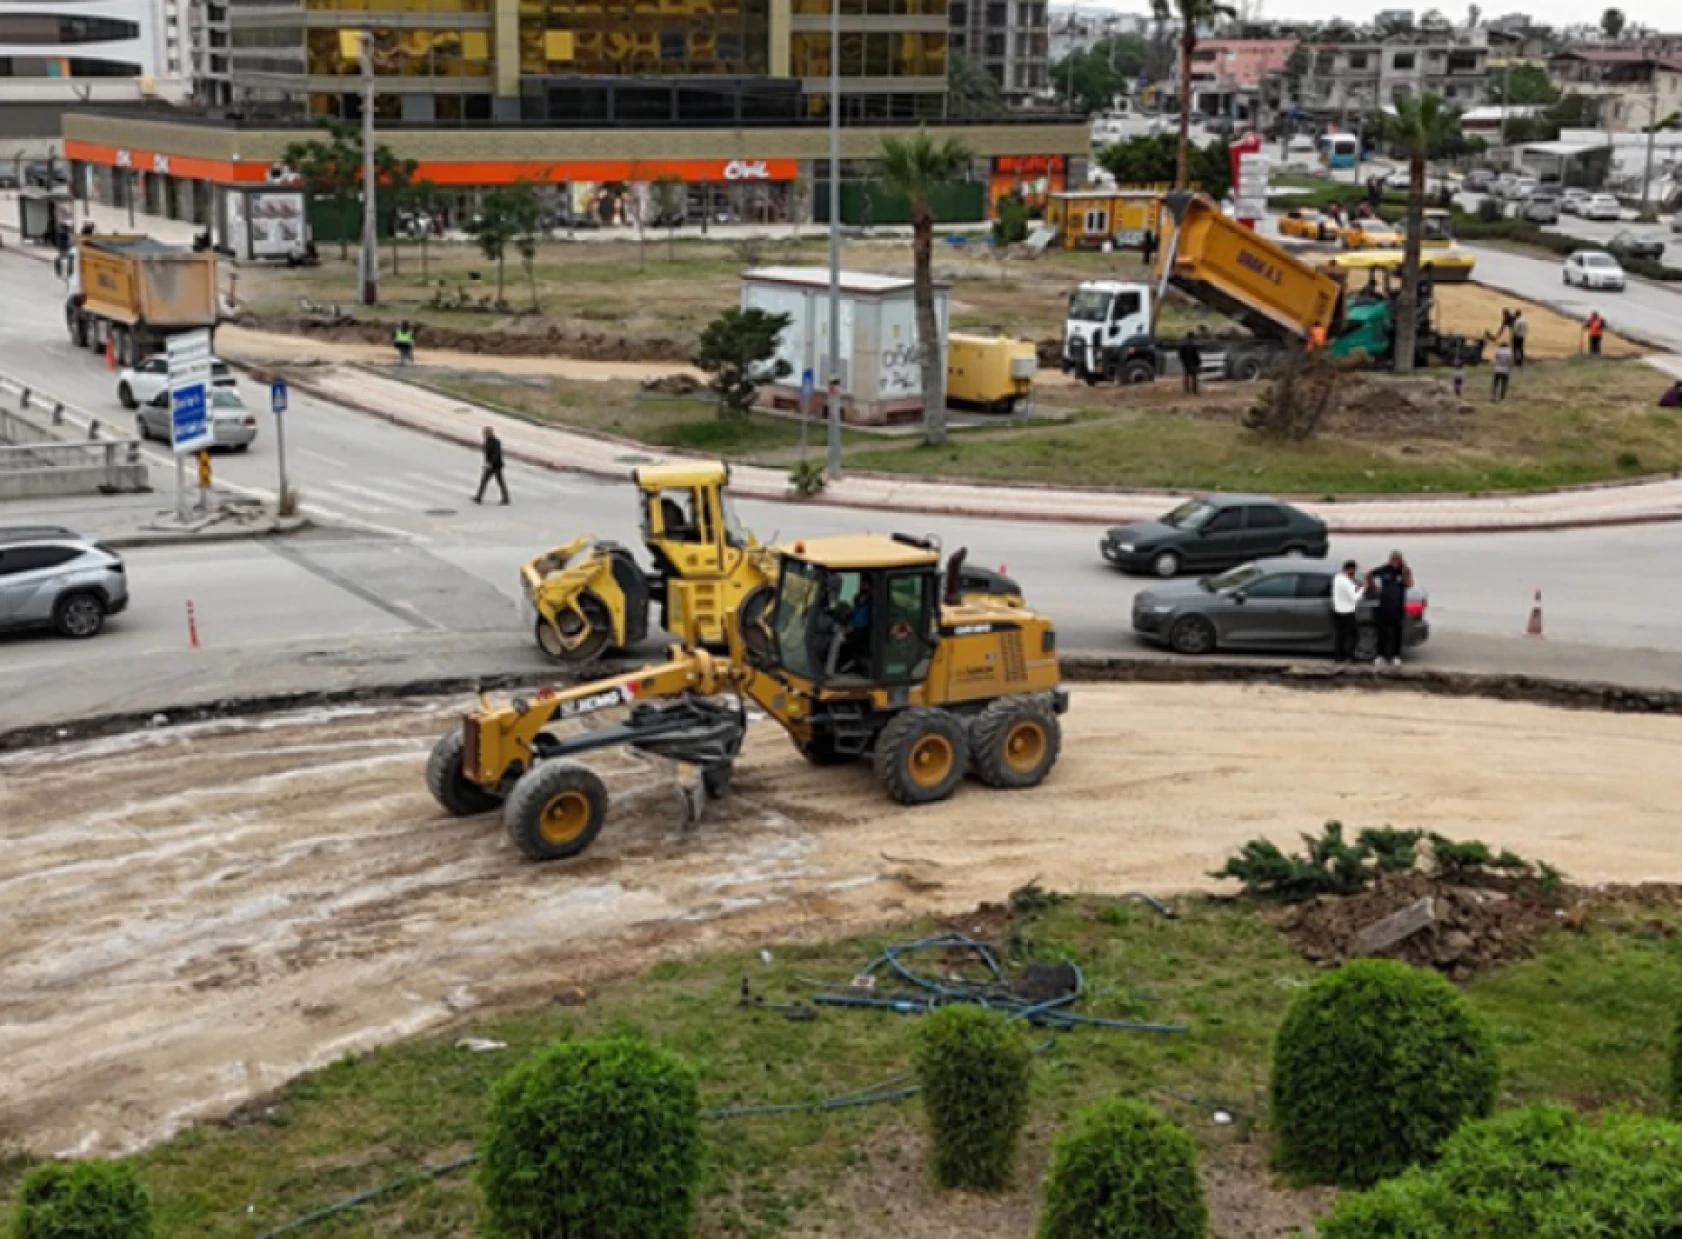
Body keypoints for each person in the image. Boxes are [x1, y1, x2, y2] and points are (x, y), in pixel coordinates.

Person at [1366, 551, 1413, 668]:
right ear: (1390, 560)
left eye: (1398, 560)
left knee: (1397, 633)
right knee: (1382, 632)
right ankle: (1380, 655)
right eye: (1394, 560)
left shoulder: (1404, 571)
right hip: (1384, 607)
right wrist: (1374, 587)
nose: (1395, 562)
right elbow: (1370, 574)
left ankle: (1396, 656)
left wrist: (1404, 571)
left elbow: (1409, 584)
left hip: (1398, 608)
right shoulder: (1384, 569)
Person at [1331, 559, 1362, 665]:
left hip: (1337, 611)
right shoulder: (1346, 581)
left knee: (1340, 635)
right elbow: (1355, 597)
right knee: (1354, 635)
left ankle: (1339, 657)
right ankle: (1351, 656)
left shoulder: (1337, 578)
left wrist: (1355, 587)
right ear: (1349, 569)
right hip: (1347, 612)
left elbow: (1349, 589)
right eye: (1354, 570)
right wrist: (1362, 589)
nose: (1354, 573)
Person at [474, 426, 508, 505]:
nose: (483, 435)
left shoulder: (496, 442)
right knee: (486, 481)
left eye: (485, 433)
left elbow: (496, 454)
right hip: (490, 465)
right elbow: (486, 451)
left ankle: (505, 498)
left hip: (496, 465)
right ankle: (479, 497)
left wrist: (490, 463)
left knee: (497, 482)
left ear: (489, 433)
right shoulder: (487, 441)